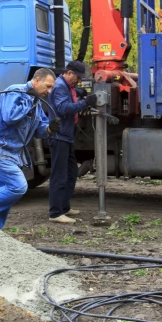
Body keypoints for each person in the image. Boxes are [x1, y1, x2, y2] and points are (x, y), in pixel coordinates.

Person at [0, 68, 61, 229]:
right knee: (18, 187)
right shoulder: (15, 91)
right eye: (48, 86)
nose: (50, 91)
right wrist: (29, 101)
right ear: (36, 80)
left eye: (52, 88)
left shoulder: (36, 102)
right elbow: (10, 116)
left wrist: (50, 129)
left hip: (10, 152)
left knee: (5, 193)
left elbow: (40, 130)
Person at [47, 61, 97, 224]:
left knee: (70, 173)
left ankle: (64, 207)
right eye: (77, 77)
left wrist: (80, 92)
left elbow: (72, 94)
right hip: (59, 136)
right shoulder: (60, 86)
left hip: (66, 136)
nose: (78, 81)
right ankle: (55, 213)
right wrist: (85, 103)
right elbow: (63, 108)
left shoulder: (67, 86)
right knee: (59, 175)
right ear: (69, 73)